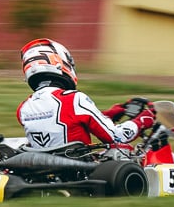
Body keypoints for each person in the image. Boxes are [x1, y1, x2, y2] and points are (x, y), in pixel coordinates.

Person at [16, 38, 156, 150]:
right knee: (125, 150)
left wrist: (110, 114)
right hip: (78, 170)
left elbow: (67, 122)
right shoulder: (74, 99)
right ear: (60, 63)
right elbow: (116, 136)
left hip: (44, 168)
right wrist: (145, 119)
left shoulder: (23, 108)